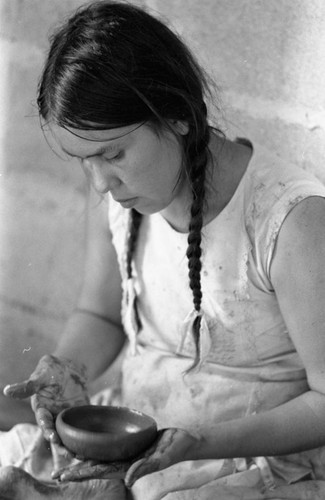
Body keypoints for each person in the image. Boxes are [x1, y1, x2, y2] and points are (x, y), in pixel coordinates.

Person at [2, 1, 325, 499]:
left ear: (176, 115)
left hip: (250, 460)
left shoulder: (290, 221)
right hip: (137, 435)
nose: (101, 182)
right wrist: (68, 369)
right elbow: (101, 315)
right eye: (83, 160)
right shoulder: (123, 199)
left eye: (113, 153)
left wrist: (195, 443)